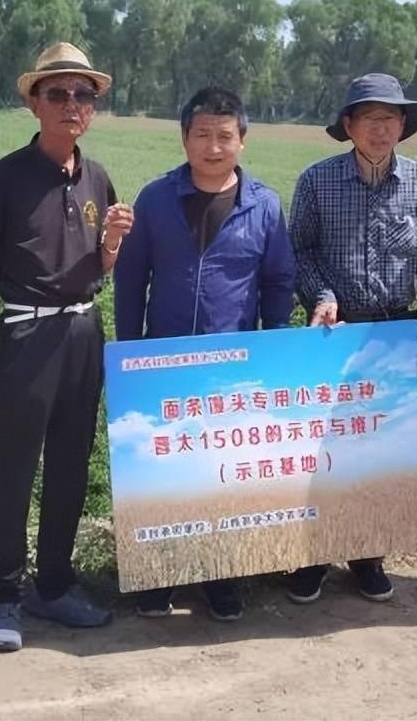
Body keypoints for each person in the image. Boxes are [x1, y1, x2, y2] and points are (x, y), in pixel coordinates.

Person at [0, 42, 134, 651]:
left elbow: (99, 267)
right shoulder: (3, 178)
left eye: (83, 95)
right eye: (57, 93)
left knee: (70, 463)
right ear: (34, 102)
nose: (72, 105)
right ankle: (5, 594)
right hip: (27, 331)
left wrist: (112, 243)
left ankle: (55, 586)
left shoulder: (97, 177)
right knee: (16, 467)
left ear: (93, 108)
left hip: (84, 330)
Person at [113, 86, 295, 621]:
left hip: (232, 368)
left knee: (224, 474)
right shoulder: (155, 198)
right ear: (185, 138)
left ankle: (221, 577)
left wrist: (272, 344)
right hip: (162, 361)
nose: (213, 147)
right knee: (163, 473)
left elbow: (279, 279)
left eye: (224, 135)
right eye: (202, 135)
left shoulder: (263, 205)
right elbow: (131, 279)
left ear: (242, 139)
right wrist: (128, 354)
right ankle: (158, 576)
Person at [286, 72, 417, 604]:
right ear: (349, 125)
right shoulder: (317, 182)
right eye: (370, 119)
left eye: (391, 119)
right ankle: (312, 558)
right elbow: (300, 254)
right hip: (334, 333)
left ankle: (367, 556)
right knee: (323, 452)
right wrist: (321, 294)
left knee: (377, 452)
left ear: (403, 125)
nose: (381, 130)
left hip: (393, 335)